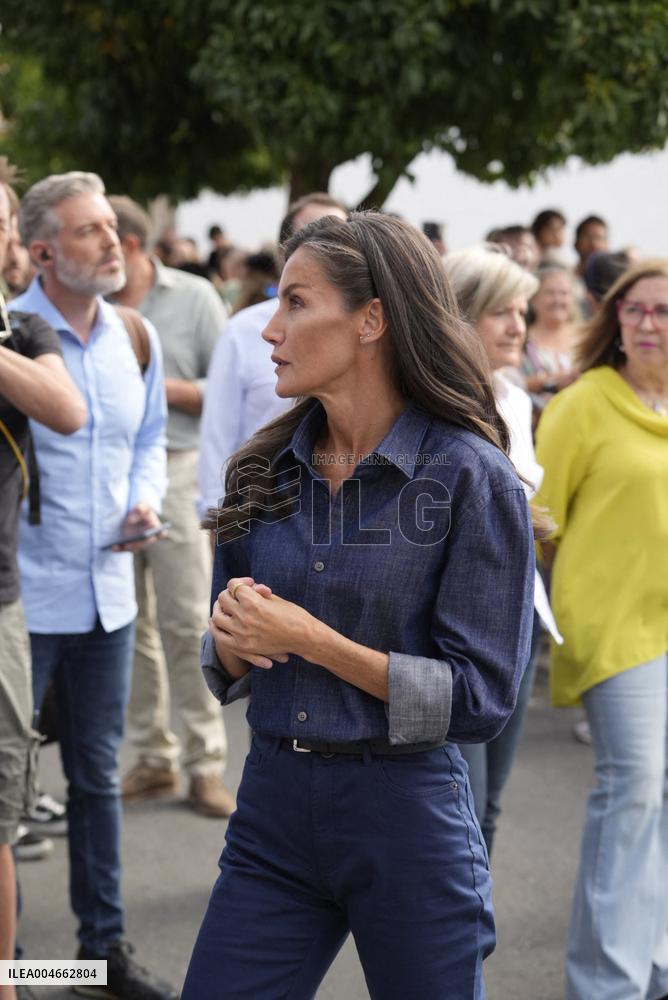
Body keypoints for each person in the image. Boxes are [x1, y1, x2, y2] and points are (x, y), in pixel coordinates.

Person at [183, 212, 537, 999]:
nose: (270, 329)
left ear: (372, 318)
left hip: (405, 814)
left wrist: (314, 641)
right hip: (272, 805)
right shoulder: (258, 469)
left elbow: (480, 699)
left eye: (297, 304)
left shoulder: (471, 476)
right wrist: (238, 638)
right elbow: (224, 653)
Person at [10, 172, 178, 1000]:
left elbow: (149, 439)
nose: (113, 241)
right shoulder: (11, 337)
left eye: (111, 225)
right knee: (7, 797)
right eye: (88, 231)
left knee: (95, 783)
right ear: (42, 251)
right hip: (21, 602)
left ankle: (97, 957)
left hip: (110, 595)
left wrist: (144, 499)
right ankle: (14, 968)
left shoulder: (134, 336)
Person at [535, 260, 668, 1000]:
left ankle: (652, 965)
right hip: (617, 627)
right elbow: (539, 524)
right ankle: (607, 984)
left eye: (663, 312)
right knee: (635, 789)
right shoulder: (584, 405)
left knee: (661, 798)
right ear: (614, 320)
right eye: (636, 311)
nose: (648, 324)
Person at [109, 194, 234, 818]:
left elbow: (233, 380)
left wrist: (161, 386)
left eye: (107, 237)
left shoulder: (194, 296)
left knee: (187, 621)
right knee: (128, 625)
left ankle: (204, 763)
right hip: (109, 476)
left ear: (130, 244)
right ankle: (153, 760)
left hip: (179, 467)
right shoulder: (92, 304)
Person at [443, 244, 562, 854]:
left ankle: (468, 943)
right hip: (455, 630)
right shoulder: (424, 404)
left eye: (523, 310)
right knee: (458, 806)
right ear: (458, 315)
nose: (520, 325)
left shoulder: (514, 399)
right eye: (502, 313)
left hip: (519, 613)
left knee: (488, 810)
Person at [0, 162, 86, 1000]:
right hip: (38, 593)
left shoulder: (24, 336)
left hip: (22, 603)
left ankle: (26, 977)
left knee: (17, 806)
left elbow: (67, 411)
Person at [197, 192, 348, 517]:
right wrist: (215, 513)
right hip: (260, 508)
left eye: (339, 236)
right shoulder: (242, 331)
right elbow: (217, 431)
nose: (273, 334)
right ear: (287, 249)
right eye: (313, 233)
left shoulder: (362, 338)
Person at [522, 263, 580, 421]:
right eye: (550, 293)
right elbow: (510, 383)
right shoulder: (520, 338)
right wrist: (552, 381)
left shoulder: (587, 337)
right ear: (534, 299)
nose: (557, 300)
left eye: (564, 293)